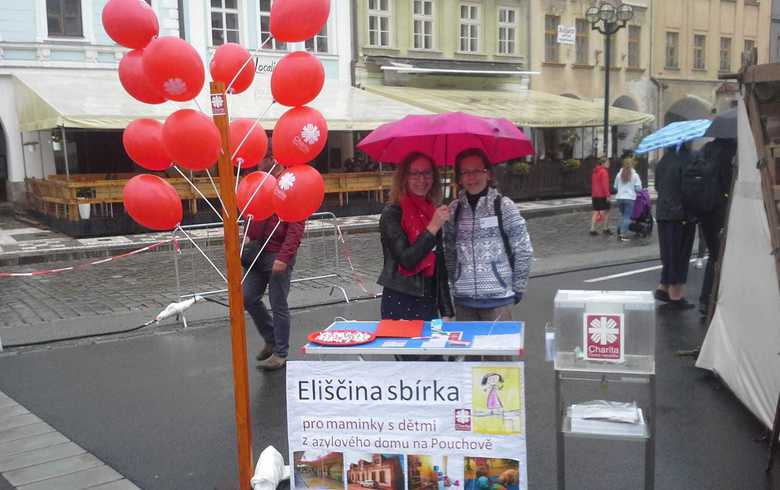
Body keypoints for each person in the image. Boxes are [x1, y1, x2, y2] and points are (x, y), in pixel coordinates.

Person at [444, 148, 533, 321]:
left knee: (499, 348)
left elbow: (523, 249)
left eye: (477, 171)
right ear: (459, 178)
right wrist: (454, 285)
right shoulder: (454, 210)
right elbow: (449, 253)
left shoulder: (504, 206)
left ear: (489, 174)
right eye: (465, 172)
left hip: (498, 300)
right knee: (468, 348)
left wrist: (518, 288)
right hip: (464, 301)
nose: (471, 177)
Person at [377, 152, 454, 321]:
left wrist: (446, 310)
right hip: (400, 299)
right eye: (415, 173)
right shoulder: (392, 214)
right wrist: (433, 227)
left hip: (429, 301)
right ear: (404, 177)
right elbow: (406, 259)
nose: (422, 179)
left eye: (427, 173)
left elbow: (439, 266)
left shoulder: (433, 212)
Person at [242, 213, 304, 371]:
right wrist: (247, 234)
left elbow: (295, 229)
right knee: (247, 297)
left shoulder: (289, 192)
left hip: (277, 252)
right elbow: (251, 215)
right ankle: (272, 339)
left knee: (278, 303)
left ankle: (280, 353)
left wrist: (284, 257)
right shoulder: (259, 190)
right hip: (257, 251)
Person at [692, 138, 737, 315]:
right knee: (724, 254)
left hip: (705, 210)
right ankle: (717, 296)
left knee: (714, 255)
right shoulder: (731, 151)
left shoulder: (706, 149)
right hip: (721, 208)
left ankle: (706, 298)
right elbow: (729, 182)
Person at [654, 147, 696, 310]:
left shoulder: (663, 162)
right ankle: (675, 294)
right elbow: (687, 189)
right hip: (680, 215)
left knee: (668, 253)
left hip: (663, 212)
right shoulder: (684, 161)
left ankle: (663, 287)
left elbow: (658, 186)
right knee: (680, 254)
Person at [613, 157, 643, 241]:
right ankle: (622, 234)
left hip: (619, 198)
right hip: (630, 198)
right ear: (632, 165)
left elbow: (615, 187)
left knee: (623, 216)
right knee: (627, 217)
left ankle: (619, 232)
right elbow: (638, 188)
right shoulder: (635, 175)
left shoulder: (619, 174)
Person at [590, 158, 612, 236]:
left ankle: (592, 229)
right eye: (607, 162)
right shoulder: (604, 172)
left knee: (596, 211)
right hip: (602, 195)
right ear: (603, 163)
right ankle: (605, 228)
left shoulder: (595, 171)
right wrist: (608, 195)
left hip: (595, 194)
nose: (609, 164)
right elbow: (605, 185)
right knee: (606, 211)